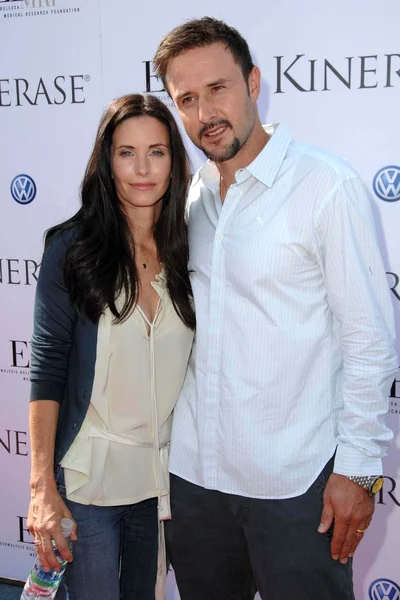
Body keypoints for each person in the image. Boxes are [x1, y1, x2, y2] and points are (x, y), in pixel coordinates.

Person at [153, 17, 398, 600]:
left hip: (295, 482)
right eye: (187, 98)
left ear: (254, 82)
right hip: (193, 483)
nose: (206, 112)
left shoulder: (326, 186)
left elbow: (368, 338)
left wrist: (360, 468)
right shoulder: (184, 199)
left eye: (218, 89)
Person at [27, 93, 195, 600]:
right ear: (106, 161)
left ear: (174, 162)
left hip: (162, 483)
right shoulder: (72, 251)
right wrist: (41, 487)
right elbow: (47, 369)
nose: (142, 168)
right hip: (87, 484)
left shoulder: (190, 248)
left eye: (157, 151)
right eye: (126, 152)